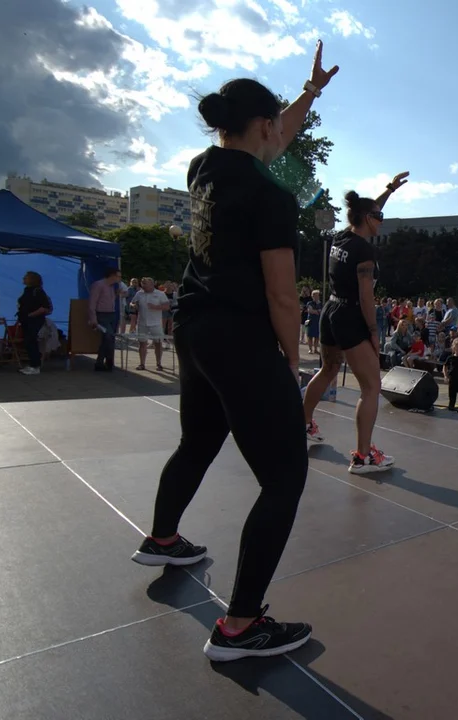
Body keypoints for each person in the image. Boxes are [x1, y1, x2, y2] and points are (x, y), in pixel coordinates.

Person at [130, 41, 339, 663]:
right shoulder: (272, 197)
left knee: (198, 440)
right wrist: (291, 365)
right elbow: (282, 295)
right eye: (279, 124)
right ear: (262, 126)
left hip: (193, 329)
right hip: (241, 336)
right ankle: (241, 626)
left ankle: (163, 538)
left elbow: (272, 137)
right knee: (283, 477)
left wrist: (309, 94)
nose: (285, 135)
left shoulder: (205, 167)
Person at [302, 174, 409, 474]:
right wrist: (374, 333)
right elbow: (366, 297)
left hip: (331, 310)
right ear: (366, 218)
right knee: (371, 386)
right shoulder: (364, 250)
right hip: (350, 316)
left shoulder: (341, 237)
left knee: (328, 369)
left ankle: (302, 424)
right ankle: (363, 456)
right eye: (379, 217)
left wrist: (389, 190)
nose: (382, 220)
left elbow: (369, 208)